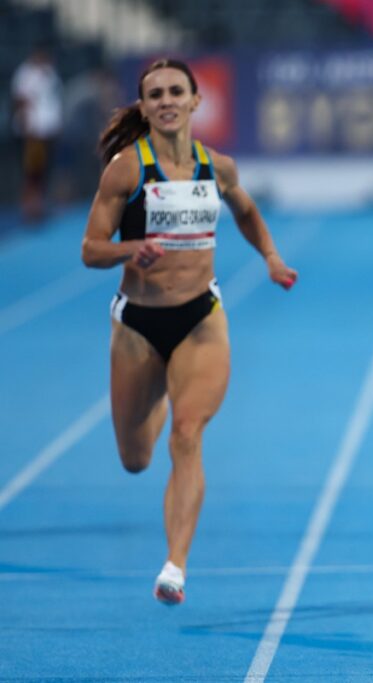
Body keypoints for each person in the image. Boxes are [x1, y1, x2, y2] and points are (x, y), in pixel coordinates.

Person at [81, 59, 297, 605]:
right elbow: (90, 249)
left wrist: (271, 257)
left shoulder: (215, 167)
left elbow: (245, 210)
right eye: (155, 94)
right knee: (136, 458)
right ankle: (152, 393)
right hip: (138, 323)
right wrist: (131, 249)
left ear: (196, 100)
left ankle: (175, 564)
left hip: (201, 316)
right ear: (145, 105)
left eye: (177, 90)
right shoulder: (127, 170)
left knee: (189, 434)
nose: (167, 100)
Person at [11, 45, 62, 223]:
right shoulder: (26, 74)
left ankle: (40, 205)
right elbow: (21, 100)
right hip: (33, 132)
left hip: (48, 131)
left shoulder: (50, 72)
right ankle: (29, 208)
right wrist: (27, 128)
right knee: (32, 171)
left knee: (43, 171)